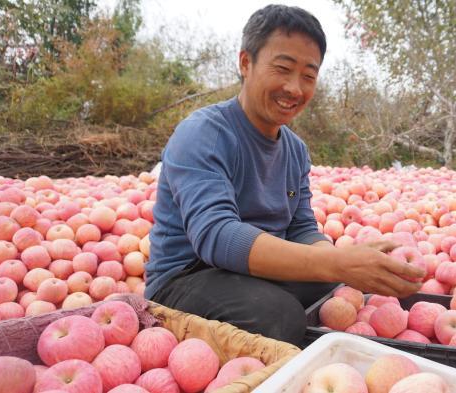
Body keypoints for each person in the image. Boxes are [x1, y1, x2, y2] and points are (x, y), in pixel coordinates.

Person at [144, 4, 424, 346]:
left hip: (252, 273)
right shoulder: (203, 133)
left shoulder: (295, 149)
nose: (295, 88)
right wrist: (337, 262)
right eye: (283, 69)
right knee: (278, 315)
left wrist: (345, 265)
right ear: (246, 63)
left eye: (308, 76)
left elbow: (301, 227)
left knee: (334, 290)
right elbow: (216, 235)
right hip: (187, 277)